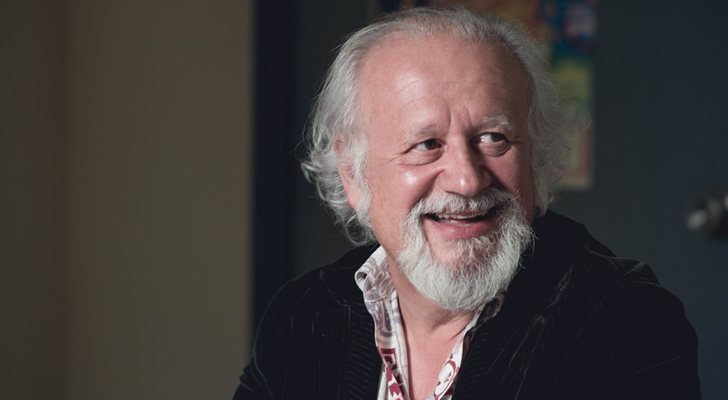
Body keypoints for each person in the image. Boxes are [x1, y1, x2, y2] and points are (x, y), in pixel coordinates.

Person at [234, 6, 700, 400]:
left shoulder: (625, 322)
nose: (467, 179)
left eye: (494, 138)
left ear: (534, 157)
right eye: (426, 144)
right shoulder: (300, 319)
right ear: (353, 173)